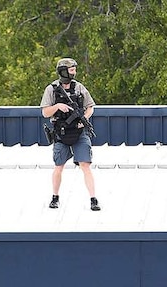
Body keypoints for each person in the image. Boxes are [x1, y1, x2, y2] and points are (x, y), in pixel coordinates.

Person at [40, 57, 100, 211]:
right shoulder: (51, 89)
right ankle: (55, 197)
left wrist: (84, 119)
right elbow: (45, 112)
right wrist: (58, 106)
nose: (74, 73)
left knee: (85, 164)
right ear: (63, 71)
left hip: (79, 132)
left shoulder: (79, 87)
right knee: (58, 165)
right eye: (71, 70)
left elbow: (90, 107)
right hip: (61, 133)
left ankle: (93, 199)